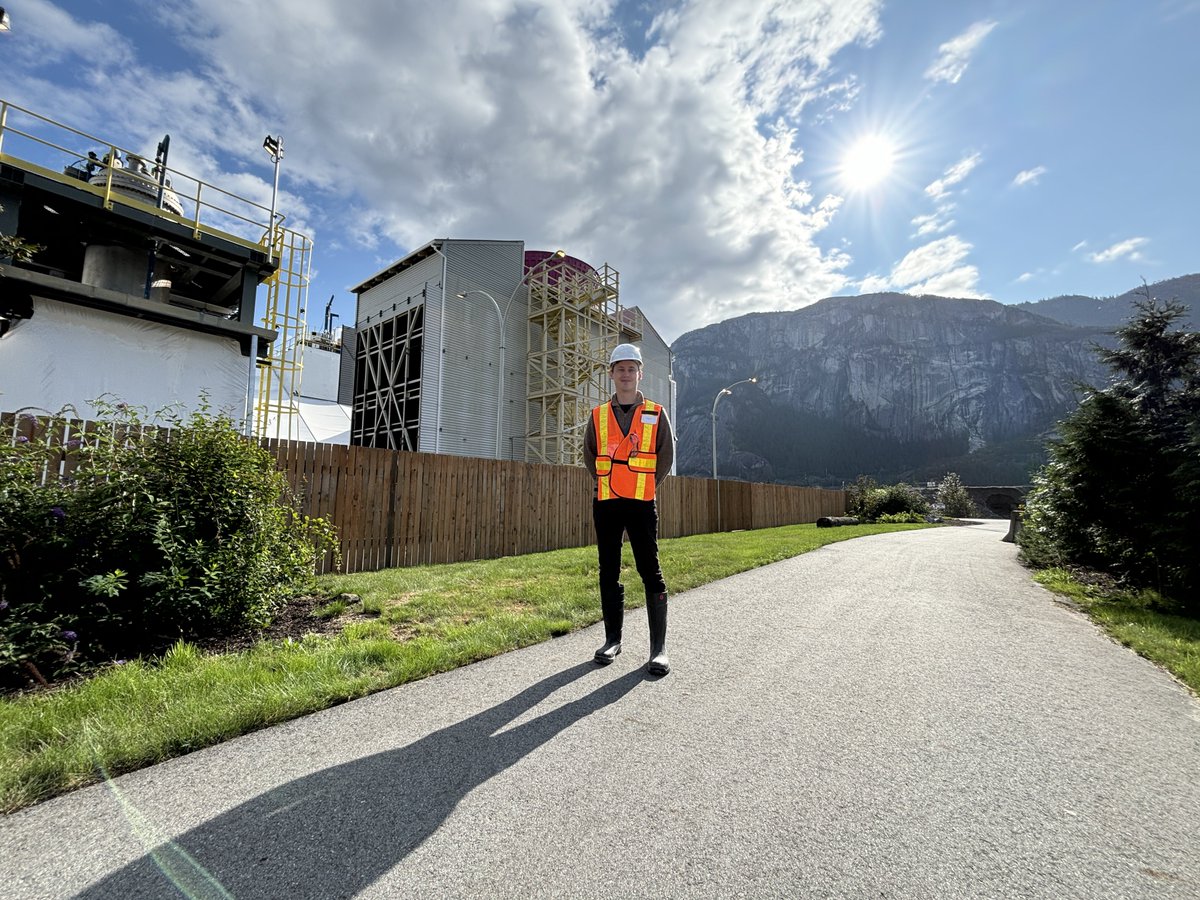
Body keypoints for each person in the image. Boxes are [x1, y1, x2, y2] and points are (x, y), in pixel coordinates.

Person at [583, 343, 675, 676]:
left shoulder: (654, 412)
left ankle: (658, 650)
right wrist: (611, 482)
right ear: (611, 374)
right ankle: (612, 640)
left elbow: (665, 456)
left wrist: (644, 486)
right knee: (608, 569)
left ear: (640, 373)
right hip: (607, 502)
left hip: (640, 503)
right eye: (619, 369)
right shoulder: (598, 416)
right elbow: (589, 455)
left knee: (650, 570)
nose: (625, 375)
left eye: (631, 369)